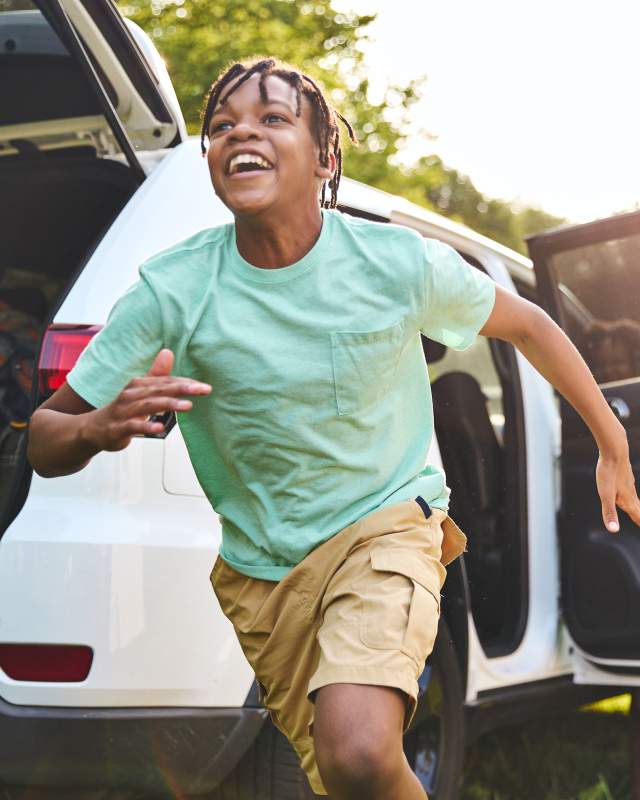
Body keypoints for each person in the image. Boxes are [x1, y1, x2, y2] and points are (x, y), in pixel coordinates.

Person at [27, 57, 640, 800]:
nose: (240, 133)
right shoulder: (173, 288)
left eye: (271, 119)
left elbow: (532, 325)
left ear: (324, 159)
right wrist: (95, 427)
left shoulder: (394, 263)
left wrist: (610, 439)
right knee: (348, 778)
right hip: (267, 576)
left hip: (387, 530)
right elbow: (44, 438)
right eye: (222, 127)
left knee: (355, 748)